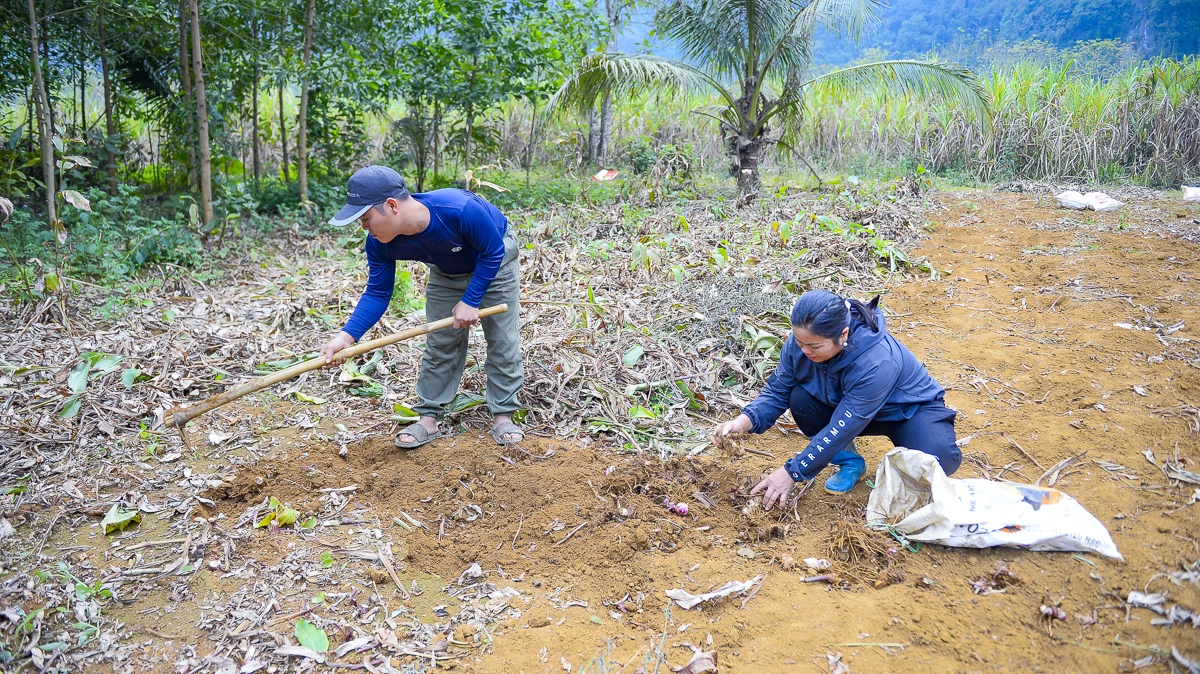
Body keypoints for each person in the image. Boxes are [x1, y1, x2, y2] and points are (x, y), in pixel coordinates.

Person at [320, 165, 524, 447]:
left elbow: (493, 252)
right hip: (446, 270)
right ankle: (428, 418)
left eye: (366, 218)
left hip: (494, 261)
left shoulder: (460, 209)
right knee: (441, 342)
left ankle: (503, 414)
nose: (363, 227)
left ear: (391, 206)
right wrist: (346, 336)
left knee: (502, 339)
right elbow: (378, 292)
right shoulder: (379, 243)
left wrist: (470, 300)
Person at [714, 290, 960, 509]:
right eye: (799, 342)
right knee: (800, 399)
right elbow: (777, 390)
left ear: (843, 334)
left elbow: (843, 426)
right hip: (849, 406)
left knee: (938, 461)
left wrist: (792, 472)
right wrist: (743, 422)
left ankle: (922, 449)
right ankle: (851, 463)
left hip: (907, 411)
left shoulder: (877, 362)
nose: (804, 351)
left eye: (814, 346)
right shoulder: (800, 345)